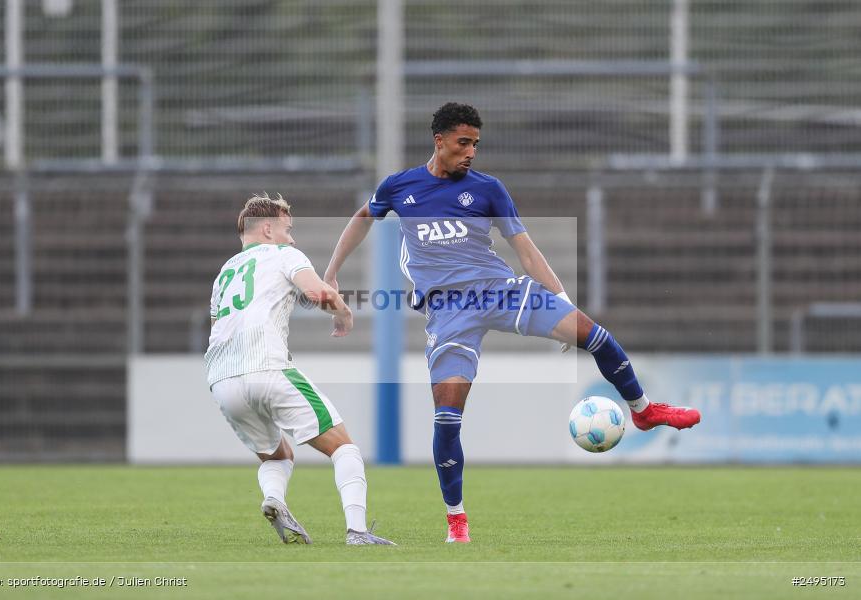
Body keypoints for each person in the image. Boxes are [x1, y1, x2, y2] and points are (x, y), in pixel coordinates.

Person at [323, 103, 701, 544]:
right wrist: (330, 275)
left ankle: (644, 411)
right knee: (447, 418)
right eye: (463, 143)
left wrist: (559, 301)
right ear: (439, 140)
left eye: (476, 145)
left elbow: (525, 249)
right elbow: (362, 218)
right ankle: (456, 520)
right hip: (449, 312)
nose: (471, 153)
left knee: (595, 336)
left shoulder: (488, 189)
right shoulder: (399, 187)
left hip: (500, 291)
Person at [204, 193, 394, 546]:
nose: (292, 238)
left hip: (222, 380)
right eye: (288, 230)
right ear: (267, 229)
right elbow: (319, 293)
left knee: (278, 455)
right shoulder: (283, 254)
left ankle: (274, 499)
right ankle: (358, 531)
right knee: (343, 448)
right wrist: (344, 313)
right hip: (268, 368)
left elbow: (217, 324)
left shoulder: (224, 273)